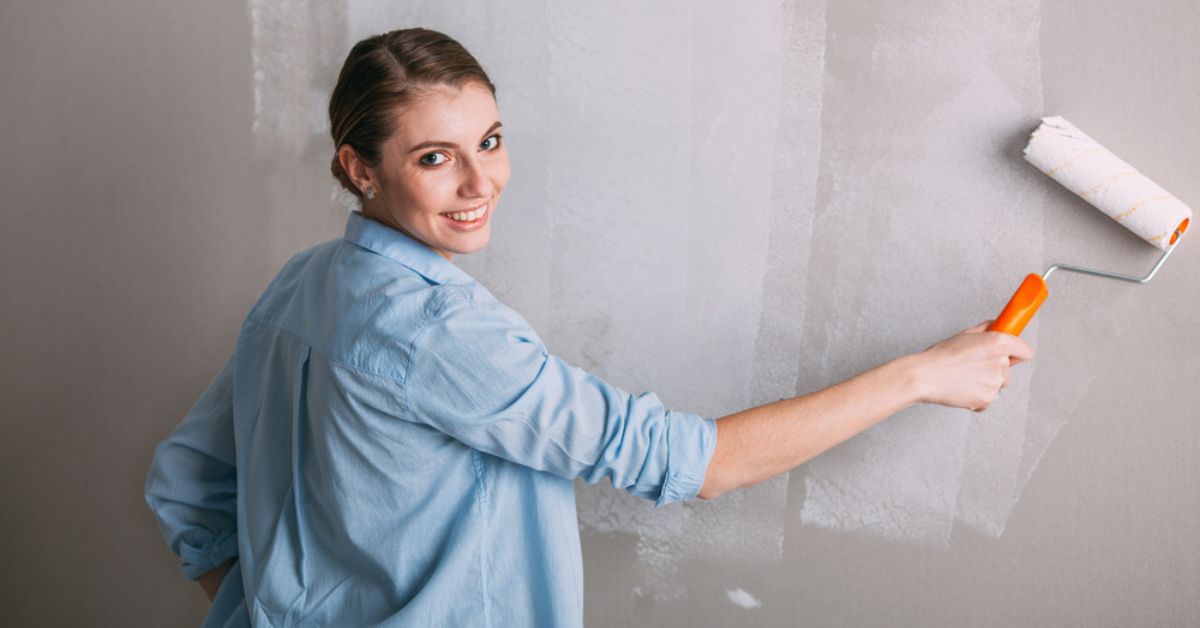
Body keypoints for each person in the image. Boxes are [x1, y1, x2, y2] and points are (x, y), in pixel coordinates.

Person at [144, 27, 1034, 628]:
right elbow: (694, 465)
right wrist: (922, 375)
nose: (479, 182)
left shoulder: (303, 285)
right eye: (433, 158)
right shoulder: (440, 334)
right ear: (358, 167)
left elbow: (186, 486)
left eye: (489, 141)